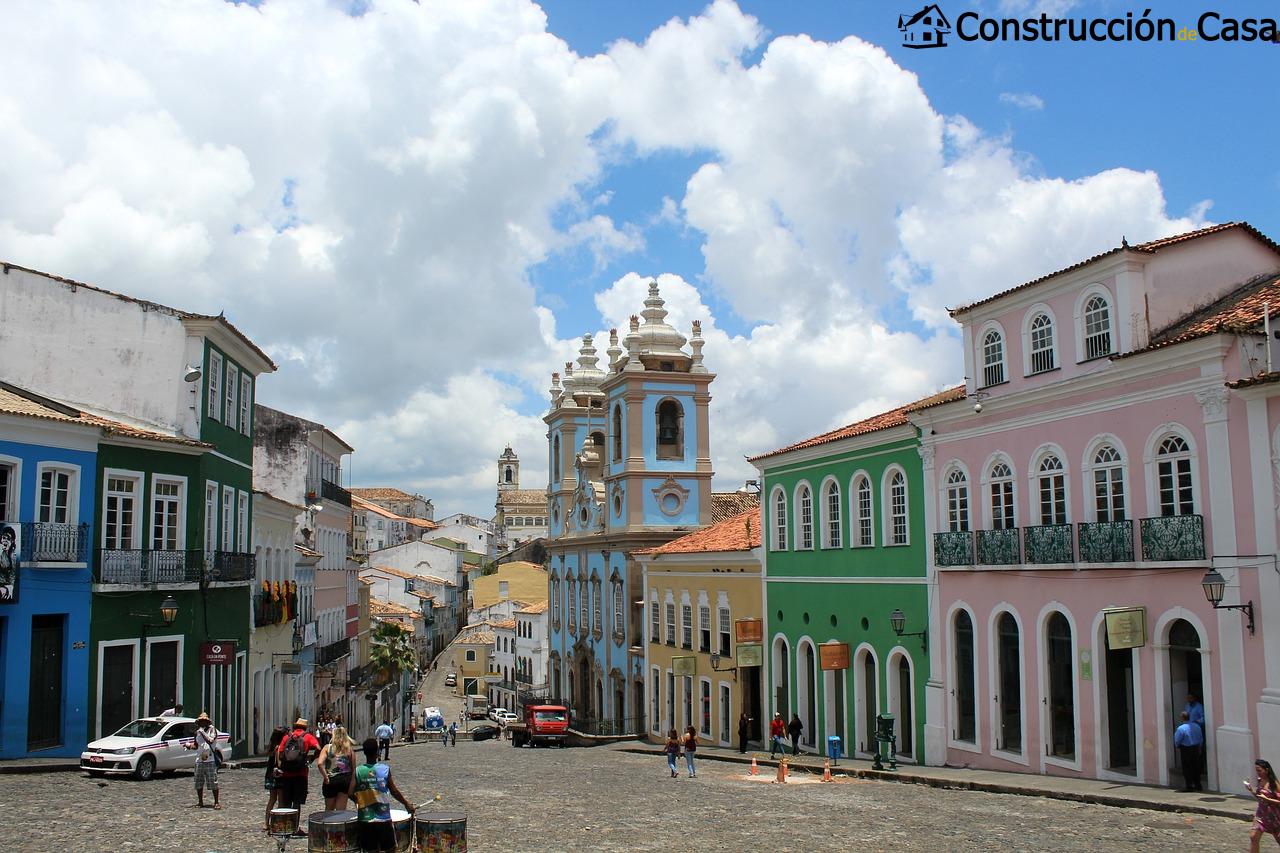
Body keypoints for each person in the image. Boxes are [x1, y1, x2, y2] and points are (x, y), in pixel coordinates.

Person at [352, 738, 415, 853]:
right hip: (383, 819)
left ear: (364, 752)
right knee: (389, 849)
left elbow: (350, 792)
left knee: (369, 850)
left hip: (365, 819)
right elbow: (394, 791)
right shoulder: (384, 770)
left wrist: (358, 801)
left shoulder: (358, 771)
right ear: (377, 752)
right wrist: (406, 804)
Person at [275, 717, 321, 834]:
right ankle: (295, 828)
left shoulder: (287, 737)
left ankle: (285, 827)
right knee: (297, 802)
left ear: (295, 726)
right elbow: (318, 748)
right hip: (301, 774)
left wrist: (283, 765)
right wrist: (311, 759)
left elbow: (280, 753)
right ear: (305, 727)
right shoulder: (308, 737)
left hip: (286, 775)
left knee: (286, 801)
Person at [184, 712, 221, 809]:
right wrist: (188, 746)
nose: (202, 723)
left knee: (213, 781)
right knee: (198, 781)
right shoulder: (197, 733)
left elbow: (210, 741)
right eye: (200, 721)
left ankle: (216, 802)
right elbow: (196, 746)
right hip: (199, 760)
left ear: (207, 722)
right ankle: (200, 801)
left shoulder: (212, 730)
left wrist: (202, 732)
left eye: (204, 721)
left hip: (210, 759)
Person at [318, 725, 357, 811]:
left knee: (329, 809)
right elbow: (354, 769)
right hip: (344, 781)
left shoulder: (327, 748)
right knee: (341, 811)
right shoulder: (349, 750)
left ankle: (328, 824)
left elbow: (320, 763)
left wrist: (326, 777)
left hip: (331, 780)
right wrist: (353, 784)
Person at [1247, 758, 1280, 852]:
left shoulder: (1274, 784)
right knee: (1253, 837)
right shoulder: (1260, 781)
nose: (1258, 773)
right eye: (1256, 770)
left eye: (1259, 770)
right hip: (1261, 815)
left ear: (1267, 770)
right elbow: (1260, 798)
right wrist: (1251, 790)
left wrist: (1268, 799)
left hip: (1274, 816)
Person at [262, 726, 287, 833]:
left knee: (272, 799)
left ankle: (266, 823)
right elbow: (279, 763)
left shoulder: (272, 747)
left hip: (270, 774)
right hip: (278, 776)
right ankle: (278, 823)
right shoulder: (278, 748)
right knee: (280, 800)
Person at [1173, 711, 1203, 792]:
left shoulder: (1181, 728)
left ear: (1182, 718)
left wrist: (1177, 745)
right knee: (1196, 767)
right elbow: (1200, 738)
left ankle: (1189, 786)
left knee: (1187, 768)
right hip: (1196, 748)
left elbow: (1177, 740)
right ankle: (1198, 784)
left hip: (1186, 749)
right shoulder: (1197, 726)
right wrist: (1200, 747)